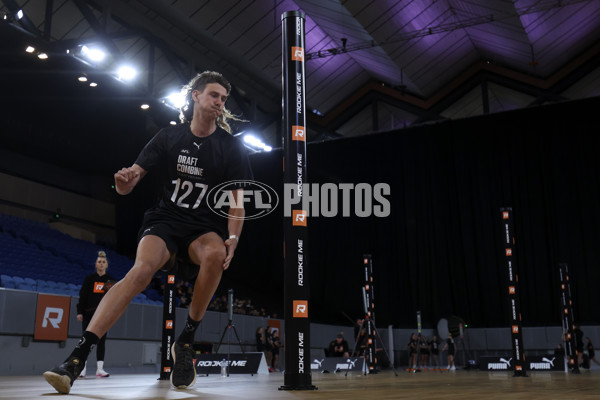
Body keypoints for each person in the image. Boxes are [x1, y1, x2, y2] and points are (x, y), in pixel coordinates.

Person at [43, 71, 253, 394]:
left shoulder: (230, 148)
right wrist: (122, 183)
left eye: (224, 99)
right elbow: (130, 181)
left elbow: (237, 204)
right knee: (140, 272)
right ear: (195, 96)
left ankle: (185, 341)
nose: (220, 103)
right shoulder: (169, 137)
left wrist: (234, 239)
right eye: (214, 95)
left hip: (202, 228)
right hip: (165, 221)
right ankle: (76, 358)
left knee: (216, 254)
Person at [75, 251, 115, 378]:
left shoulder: (109, 280)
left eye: (103, 262)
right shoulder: (89, 279)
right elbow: (83, 296)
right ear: (95, 264)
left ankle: (100, 369)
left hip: (103, 315)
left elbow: (111, 299)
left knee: (101, 341)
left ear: (107, 265)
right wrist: (79, 312)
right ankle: (82, 369)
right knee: (85, 341)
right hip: (88, 314)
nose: (101, 264)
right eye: (99, 262)